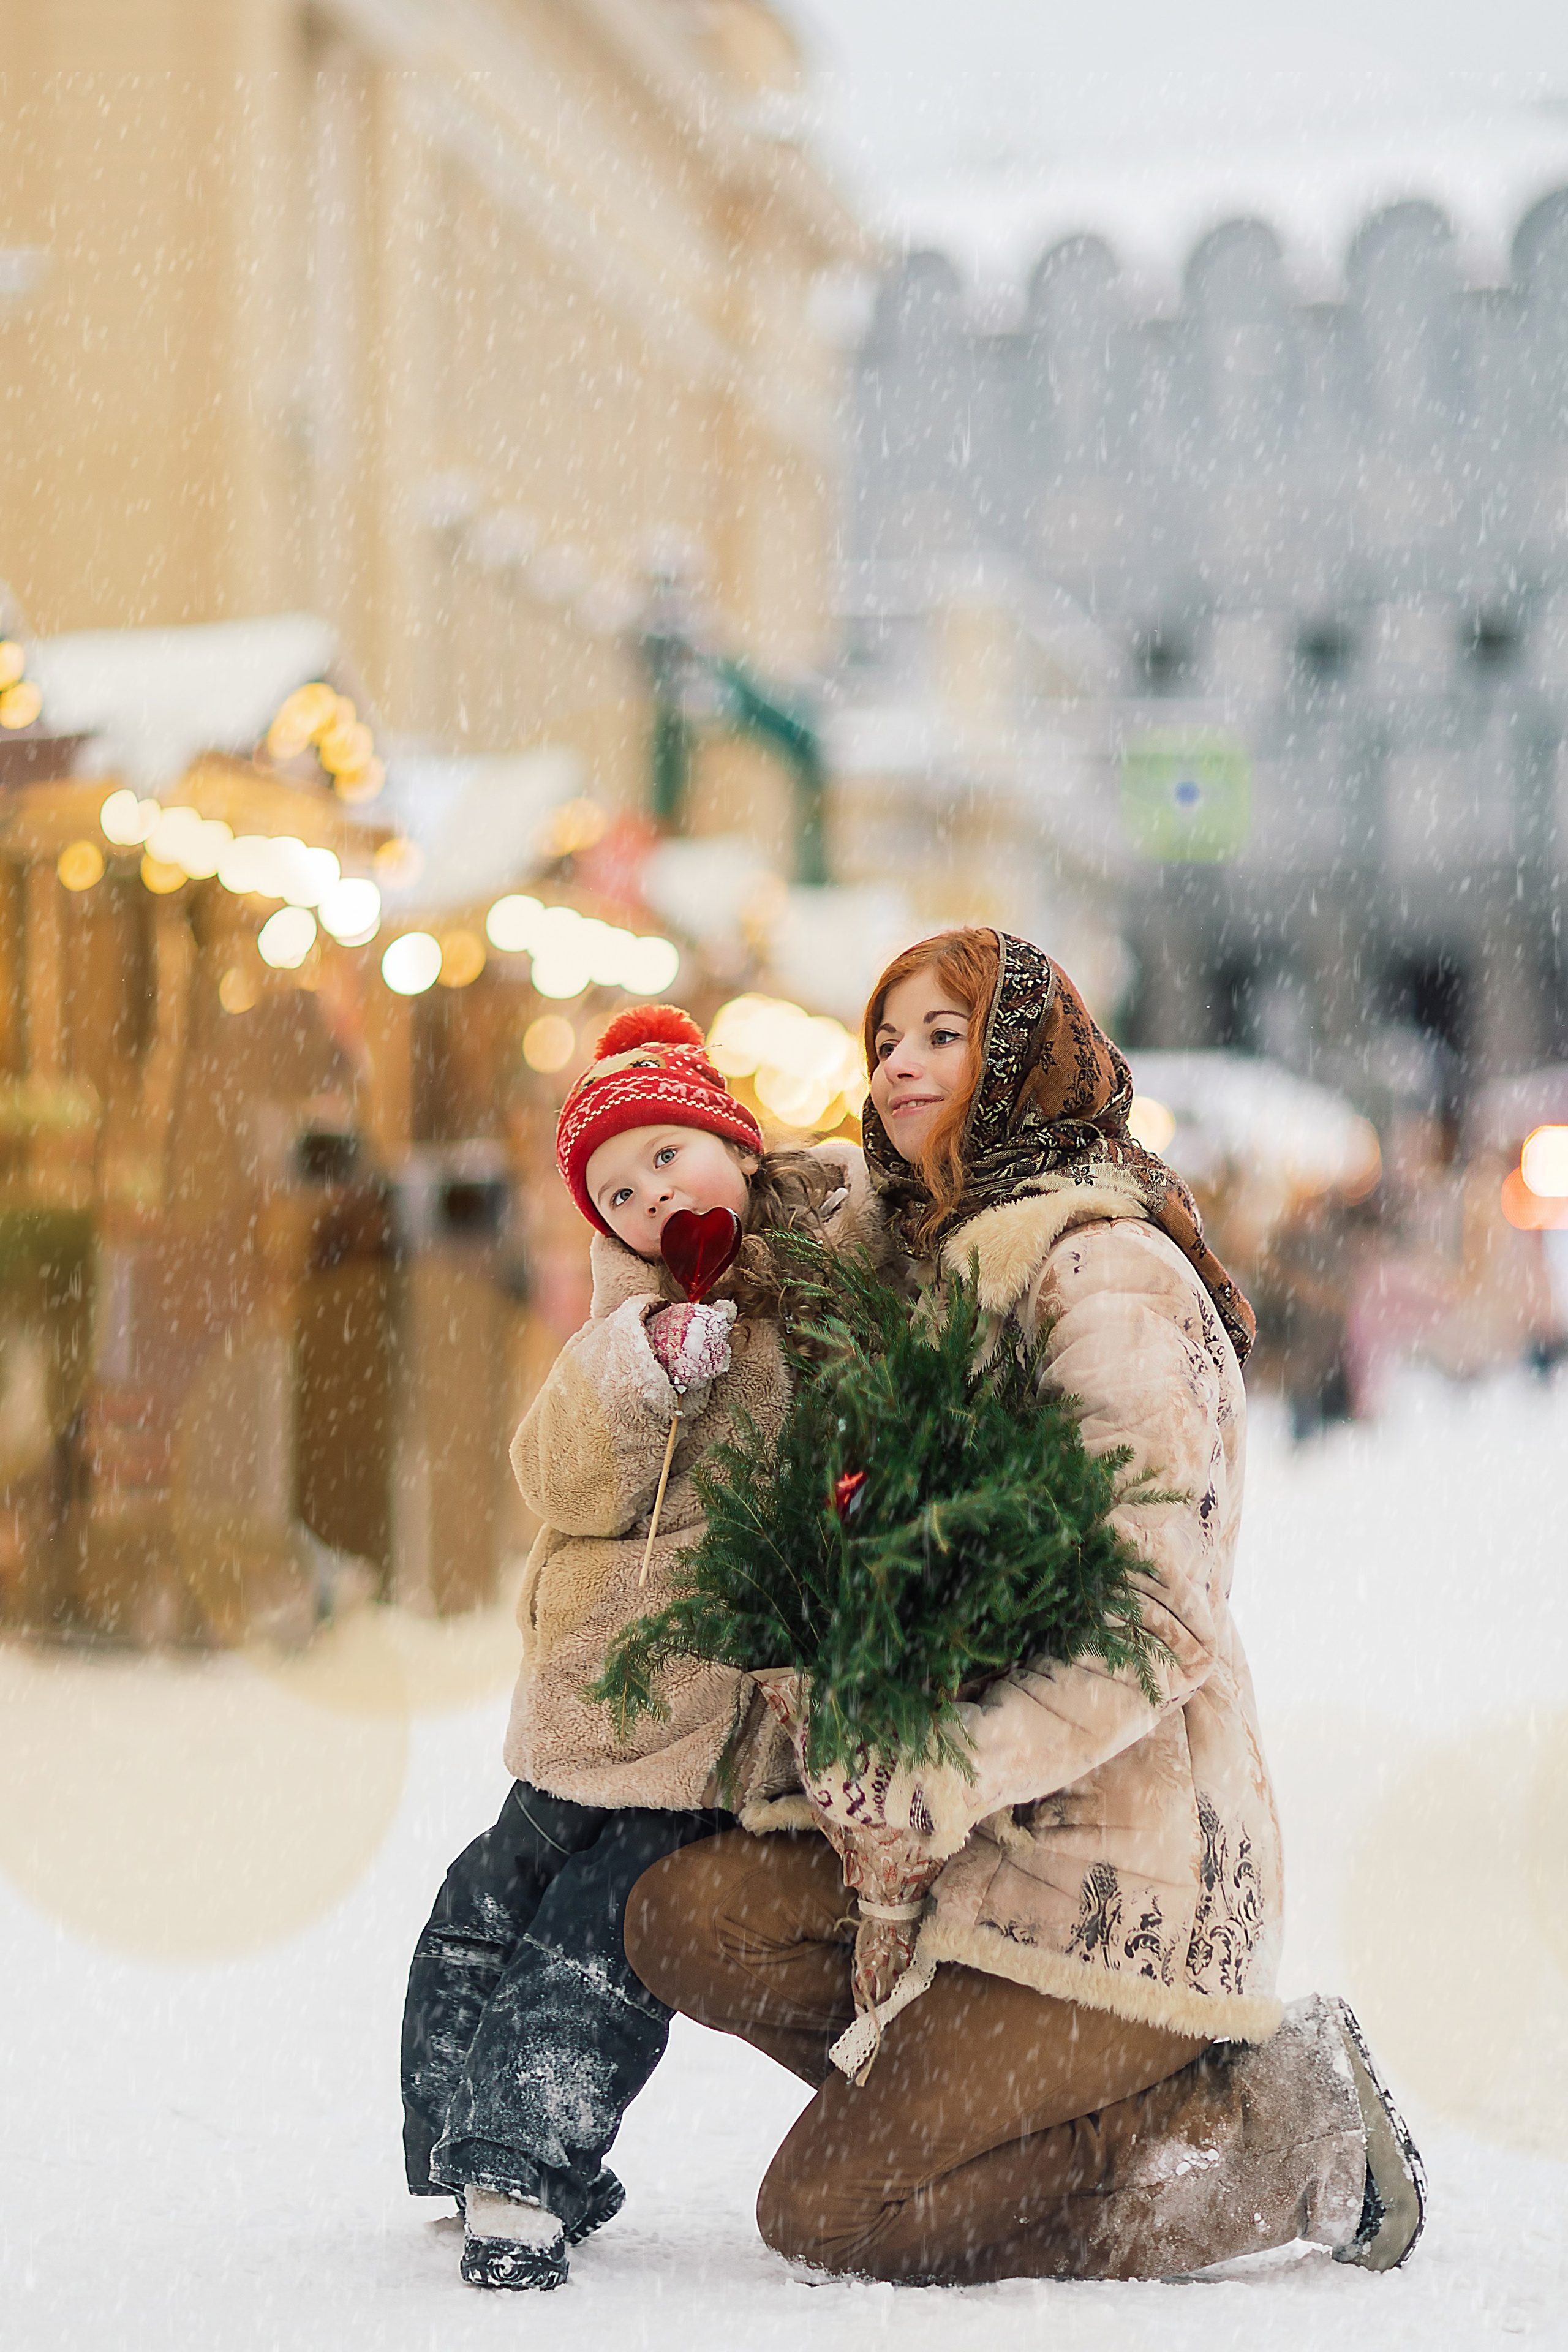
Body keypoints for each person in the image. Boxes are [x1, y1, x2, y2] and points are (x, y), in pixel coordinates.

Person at [627, 930, 1425, 2285]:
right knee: (679, 1919)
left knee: (832, 2214)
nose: (898, 1065)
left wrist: (945, 1768)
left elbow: (1157, 1616)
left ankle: (1242, 2127)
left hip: (1111, 1869)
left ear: (1021, 1057)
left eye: (941, 1034)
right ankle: (999, 2108)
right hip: (947, 1855)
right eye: (882, 1039)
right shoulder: (904, 1260)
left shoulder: (1099, 1270)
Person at [401, 1005, 889, 2291]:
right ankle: (457, 2140)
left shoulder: (822, 1278)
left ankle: (524, 2162)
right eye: (617, 1189)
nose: (647, 1196)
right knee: (479, 1907)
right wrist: (635, 1376)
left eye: (668, 1158)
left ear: (733, 1141)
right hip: (582, 1708)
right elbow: (554, 1482)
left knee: (592, 1935)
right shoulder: (620, 1331)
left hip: (700, 1728)